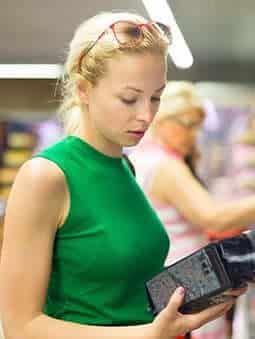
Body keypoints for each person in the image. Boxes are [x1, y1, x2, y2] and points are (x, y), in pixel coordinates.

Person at [0, 13, 244, 339]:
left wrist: (197, 296)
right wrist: (145, 335)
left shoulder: (125, 168)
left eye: (156, 97)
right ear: (84, 90)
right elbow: (20, 326)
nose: (146, 115)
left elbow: (124, 293)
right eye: (129, 98)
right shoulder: (46, 176)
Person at [130, 81, 255, 338]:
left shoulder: (141, 157)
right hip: (189, 284)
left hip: (169, 282)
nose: (193, 135)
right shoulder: (164, 165)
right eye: (188, 125)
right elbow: (213, 218)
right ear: (163, 120)